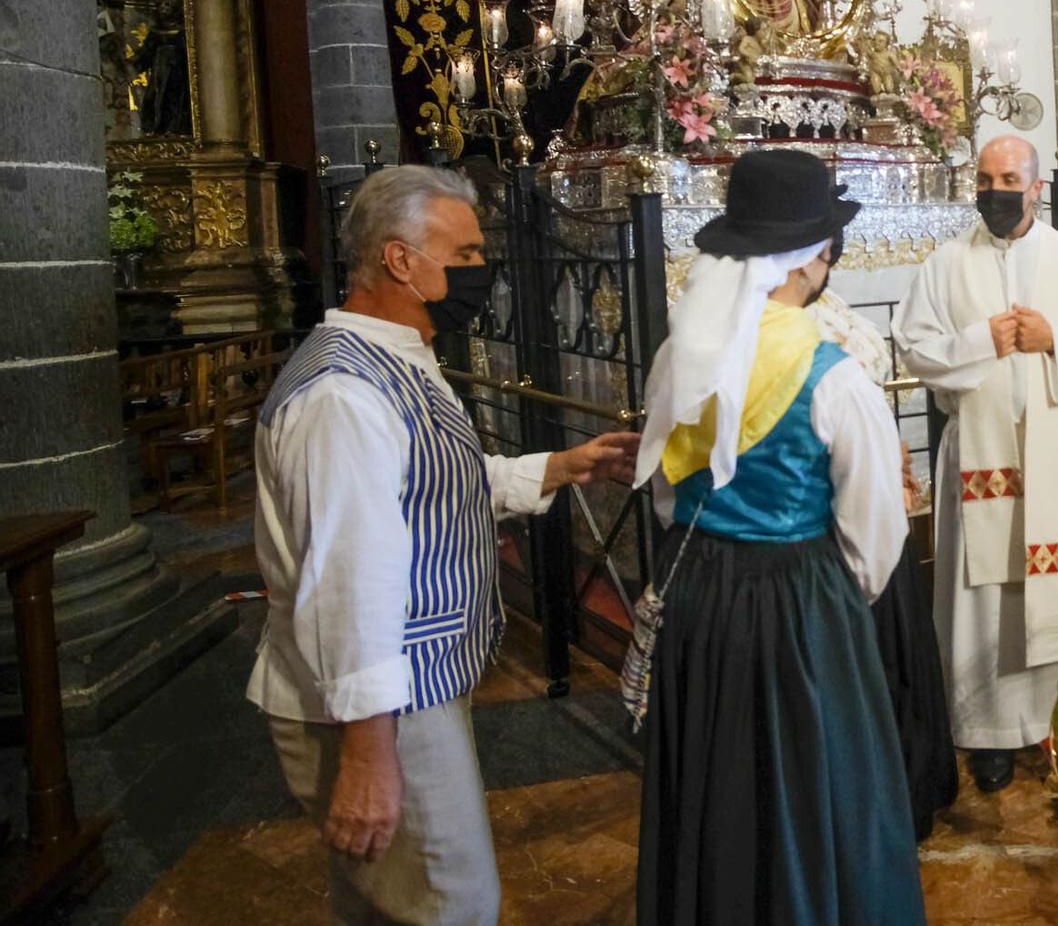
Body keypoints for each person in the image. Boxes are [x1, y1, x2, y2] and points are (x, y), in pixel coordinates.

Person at [251, 166, 641, 924]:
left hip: (409, 688)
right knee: (450, 904)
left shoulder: (394, 357)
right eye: (463, 256)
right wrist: (369, 756)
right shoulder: (345, 396)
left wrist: (561, 466)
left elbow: (429, 483)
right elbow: (350, 580)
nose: (479, 272)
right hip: (379, 703)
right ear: (401, 260)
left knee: (392, 900)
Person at [631, 148, 925, 922]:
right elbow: (875, 536)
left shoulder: (679, 355)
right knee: (813, 784)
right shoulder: (835, 376)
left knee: (711, 781)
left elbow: (665, 497)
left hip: (695, 595)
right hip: (798, 604)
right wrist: (825, 597)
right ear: (810, 262)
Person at [892, 135, 1058, 794]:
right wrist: (982, 342)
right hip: (979, 450)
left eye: (1008, 179)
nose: (994, 192)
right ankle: (990, 733)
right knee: (988, 600)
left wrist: (1055, 340)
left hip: (1053, 451)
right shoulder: (946, 264)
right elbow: (913, 345)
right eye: (985, 179)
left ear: (1034, 188)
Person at [807, 290, 960, 840]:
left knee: (897, 662)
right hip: (841, 536)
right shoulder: (771, 331)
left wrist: (891, 455)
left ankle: (906, 789)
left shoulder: (831, 301)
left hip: (871, 512)